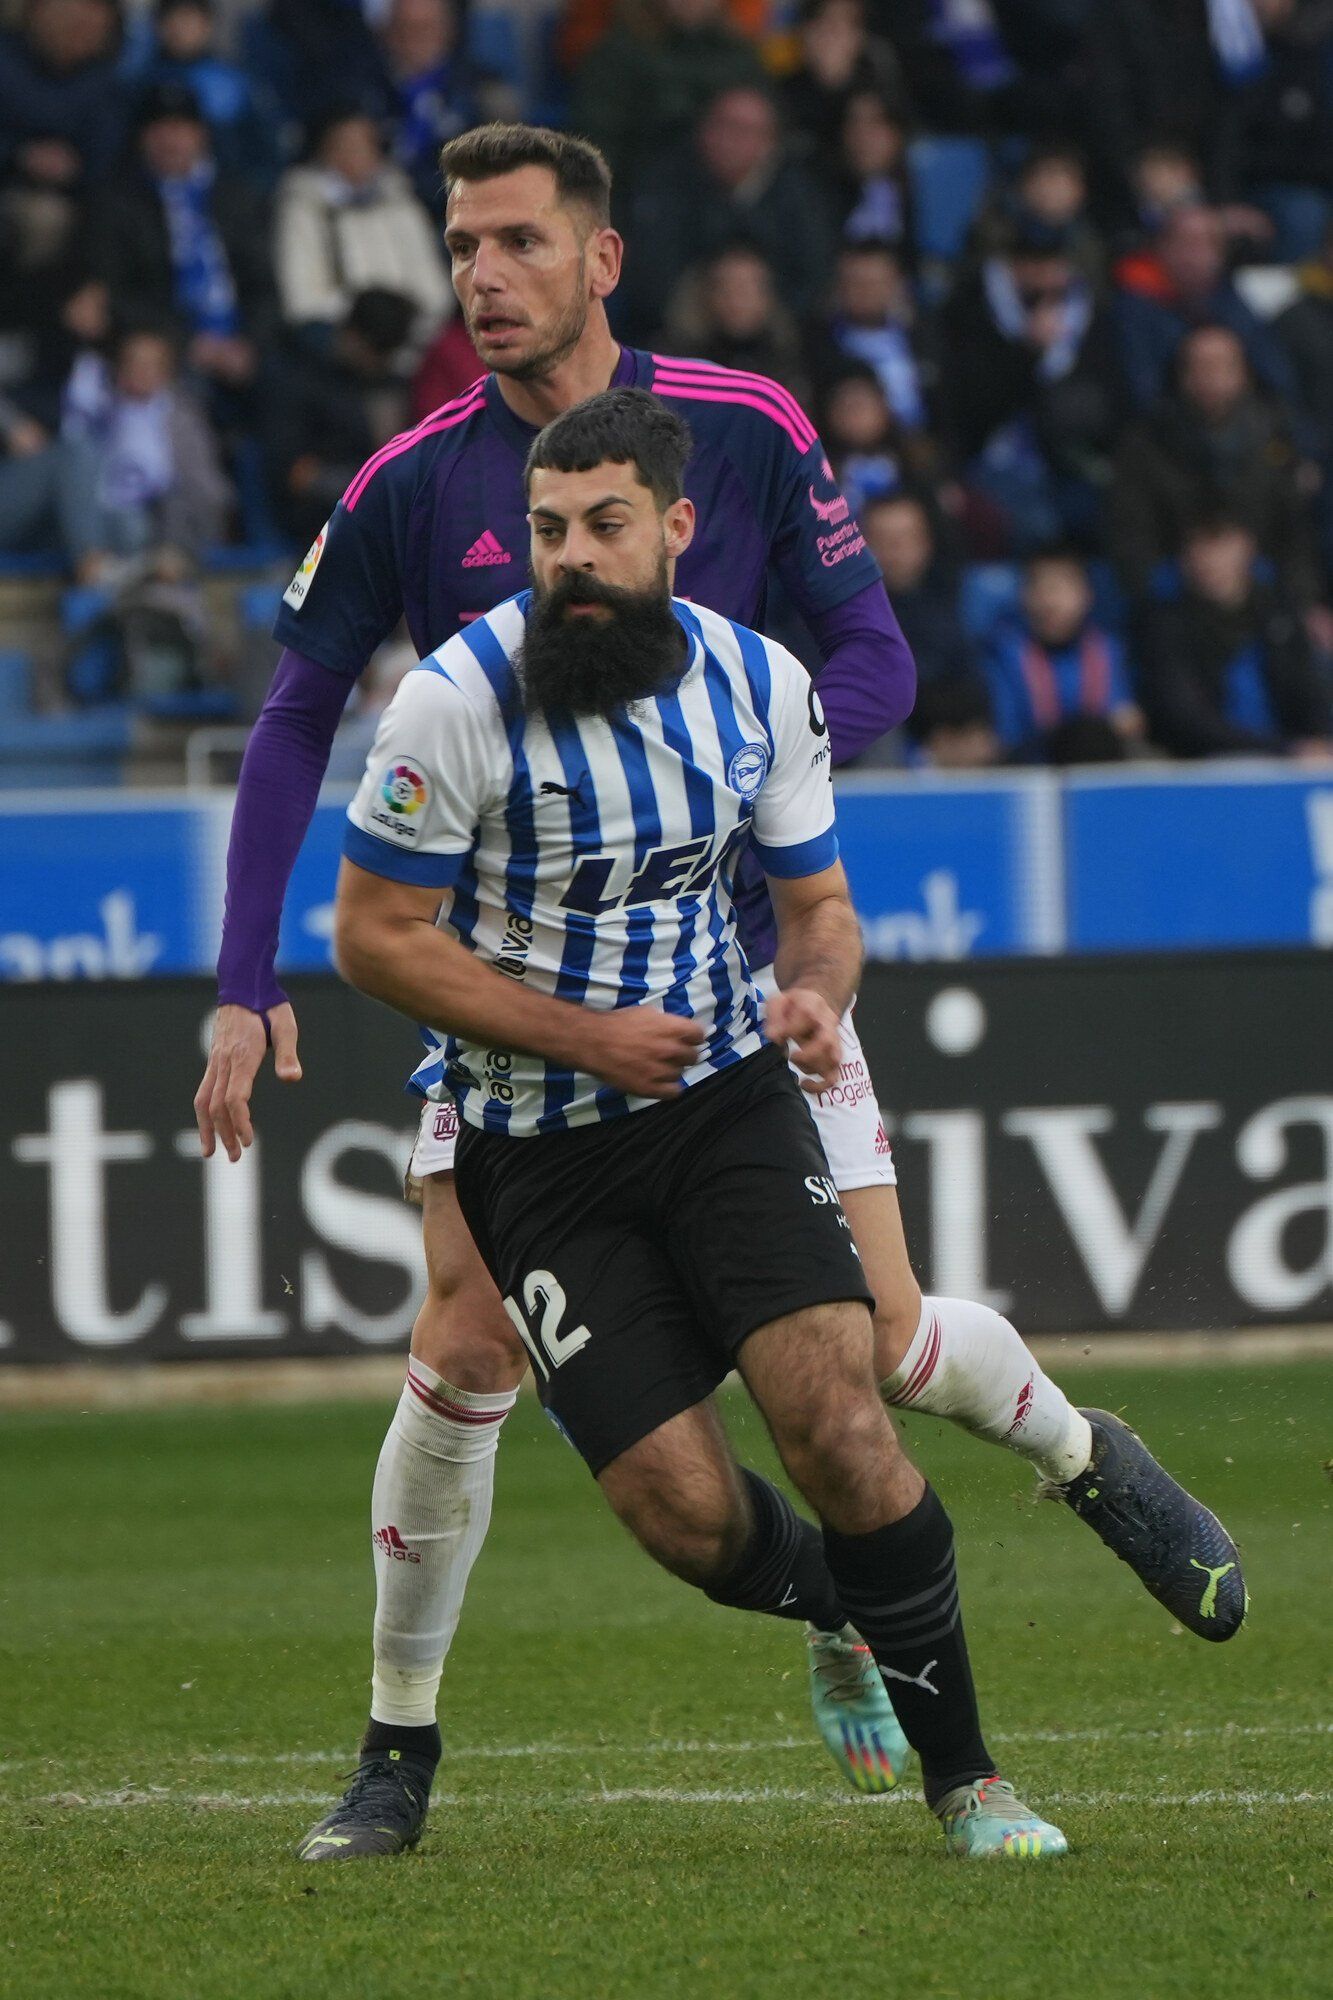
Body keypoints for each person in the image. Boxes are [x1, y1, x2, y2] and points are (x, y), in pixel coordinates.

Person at [193, 122, 1245, 1858]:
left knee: (882, 1360)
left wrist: (735, 822)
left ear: (600, 259)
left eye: (517, 242)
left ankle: (1082, 1459)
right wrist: (244, 979)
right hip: (522, 1005)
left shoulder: (744, 431)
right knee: (459, 1348)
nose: (481, 277)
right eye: (461, 244)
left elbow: (877, 658)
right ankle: (395, 1754)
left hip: (737, 982)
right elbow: (297, 714)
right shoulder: (412, 487)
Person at [318, 383, 1069, 1866]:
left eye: (604, 527)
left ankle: (970, 1780)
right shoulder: (451, 703)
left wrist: (816, 995)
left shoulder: (760, 685)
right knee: (679, 1513)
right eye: (546, 532)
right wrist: (584, 1035)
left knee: (841, 1418)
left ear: (675, 530)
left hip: (722, 1101)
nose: (572, 561)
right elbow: (370, 937)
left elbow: (823, 912)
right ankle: (853, 1605)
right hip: (534, 1150)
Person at [1110, 322, 1322, 612]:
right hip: (1174, 601)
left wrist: (1301, 601)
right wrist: (1192, 567)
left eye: (1221, 365)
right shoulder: (1146, 444)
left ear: (1244, 373)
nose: (1209, 376)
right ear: (1180, 375)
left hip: (1264, 598)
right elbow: (1131, 539)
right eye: (1198, 365)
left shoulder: (1276, 439)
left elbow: (1295, 538)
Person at [1139, 512, 1333, 759]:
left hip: (1290, 760)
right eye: (1198, 545)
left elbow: (1308, 691)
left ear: (1247, 546)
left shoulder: (1280, 615)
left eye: (1220, 544)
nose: (1209, 559)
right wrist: (1283, 749)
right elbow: (1186, 718)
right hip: (1202, 764)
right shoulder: (1165, 623)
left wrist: (1319, 742)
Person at [273, 108, 453, 349]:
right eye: (346, 145)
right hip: (343, 347)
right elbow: (302, 303)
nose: (359, 154)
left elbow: (435, 293)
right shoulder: (304, 209)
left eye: (366, 144)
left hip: (414, 342)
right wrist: (370, 323)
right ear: (325, 151)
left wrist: (403, 326)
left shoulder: (401, 203)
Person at [983, 547, 1143, 762]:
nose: (1050, 603)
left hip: (1102, 766)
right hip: (1031, 770)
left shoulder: (1107, 649)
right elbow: (1006, 733)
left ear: (1086, 595)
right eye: (1040, 589)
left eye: (1060, 589)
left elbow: (1123, 717)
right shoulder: (1005, 653)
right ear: (1024, 597)